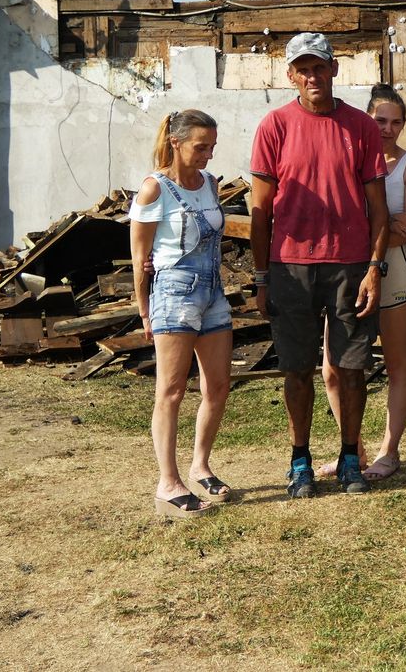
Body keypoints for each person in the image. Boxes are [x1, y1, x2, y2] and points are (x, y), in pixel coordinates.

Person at [250, 32, 389, 498]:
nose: (312, 76)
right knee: (297, 369)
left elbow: (378, 209)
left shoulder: (361, 127)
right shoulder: (275, 126)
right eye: (302, 68)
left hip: (350, 265)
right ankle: (300, 460)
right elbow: (260, 210)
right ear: (290, 75)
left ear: (334, 70)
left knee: (351, 369)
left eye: (320, 67)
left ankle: (351, 456)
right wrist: (261, 276)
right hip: (291, 267)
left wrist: (373, 268)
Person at [319, 84, 406, 481]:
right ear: (365, 118)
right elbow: (334, 219)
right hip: (345, 272)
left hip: (393, 272)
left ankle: (389, 450)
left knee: (398, 364)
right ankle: (354, 449)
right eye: (380, 120)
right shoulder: (348, 160)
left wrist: (365, 231)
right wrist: (382, 225)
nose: (388, 129)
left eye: (396, 122)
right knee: (333, 368)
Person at [130, 109, 233, 518]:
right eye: (199, 146)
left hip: (213, 292)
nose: (207, 155)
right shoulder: (154, 188)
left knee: (218, 385)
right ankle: (168, 482)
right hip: (173, 295)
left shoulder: (209, 184)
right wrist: (144, 312)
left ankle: (200, 464)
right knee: (171, 390)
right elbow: (140, 257)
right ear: (176, 142)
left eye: (211, 147)